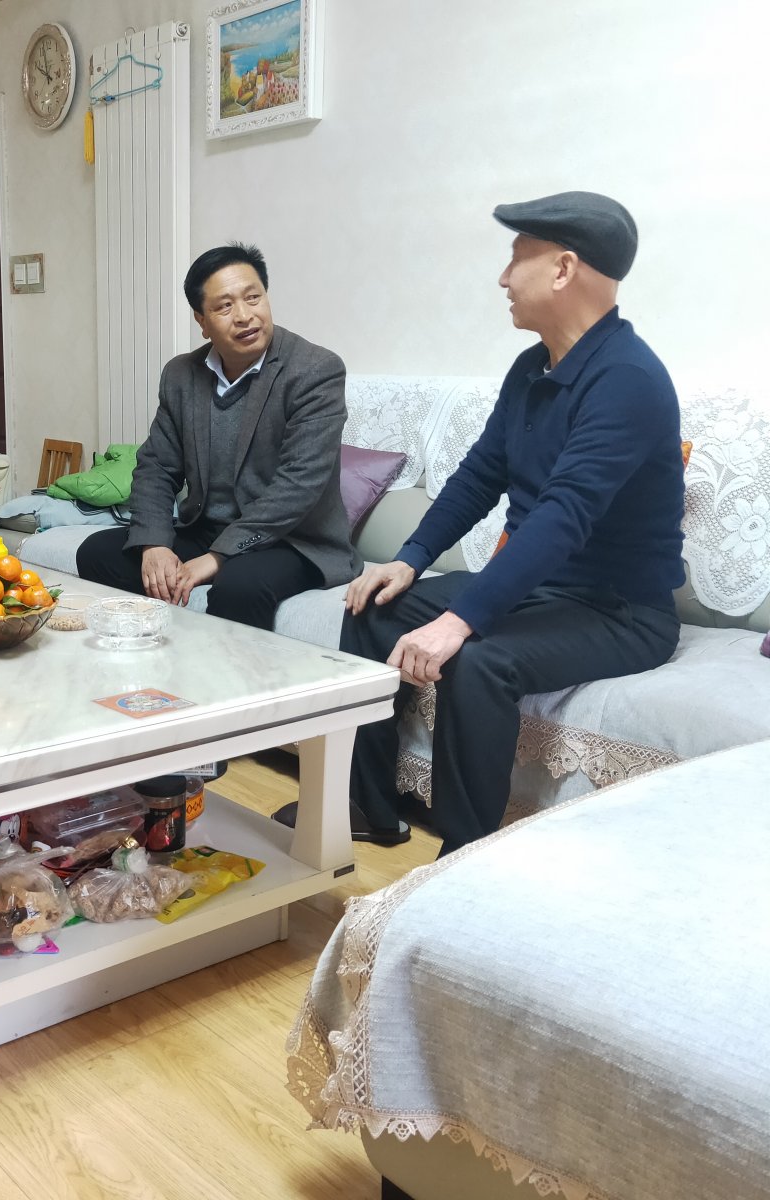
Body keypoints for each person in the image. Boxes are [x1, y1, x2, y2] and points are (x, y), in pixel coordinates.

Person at [280, 192, 684, 853]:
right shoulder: (531, 369)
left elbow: (563, 515)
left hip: (620, 611)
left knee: (478, 660)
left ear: (563, 269)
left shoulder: (628, 379)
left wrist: (461, 620)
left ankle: (462, 856)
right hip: (540, 590)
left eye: (517, 258)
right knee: (373, 607)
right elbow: (479, 475)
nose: (503, 277)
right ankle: (368, 805)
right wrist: (409, 559)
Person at [76, 243, 360, 633]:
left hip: (292, 540)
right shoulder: (181, 375)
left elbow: (299, 485)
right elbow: (156, 467)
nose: (244, 316)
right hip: (207, 529)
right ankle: (150, 655)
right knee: (98, 553)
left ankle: (223, 673)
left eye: (253, 298)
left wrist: (217, 557)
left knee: (240, 585)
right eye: (225, 306)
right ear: (202, 321)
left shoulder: (315, 370)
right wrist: (154, 543)